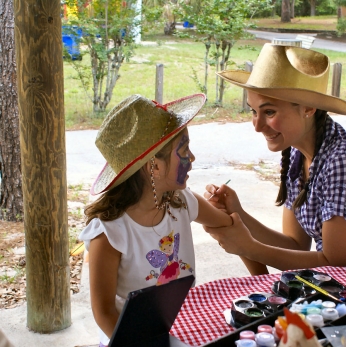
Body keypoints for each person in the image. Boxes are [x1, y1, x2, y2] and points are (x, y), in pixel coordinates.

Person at [203, 43, 346, 275]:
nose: (257, 126)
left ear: (308, 108)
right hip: (340, 293)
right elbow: (295, 245)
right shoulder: (296, 154)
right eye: (254, 111)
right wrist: (238, 215)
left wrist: (249, 248)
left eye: (269, 112)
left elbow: (337, 264)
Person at [78, 93, 233, 347]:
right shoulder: (108, 234)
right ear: (154, 167)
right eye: (183, 150)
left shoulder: (181, 201)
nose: (191, 158)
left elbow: (226, 224)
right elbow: (104, 312)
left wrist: (231, 212)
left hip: (176, 329)